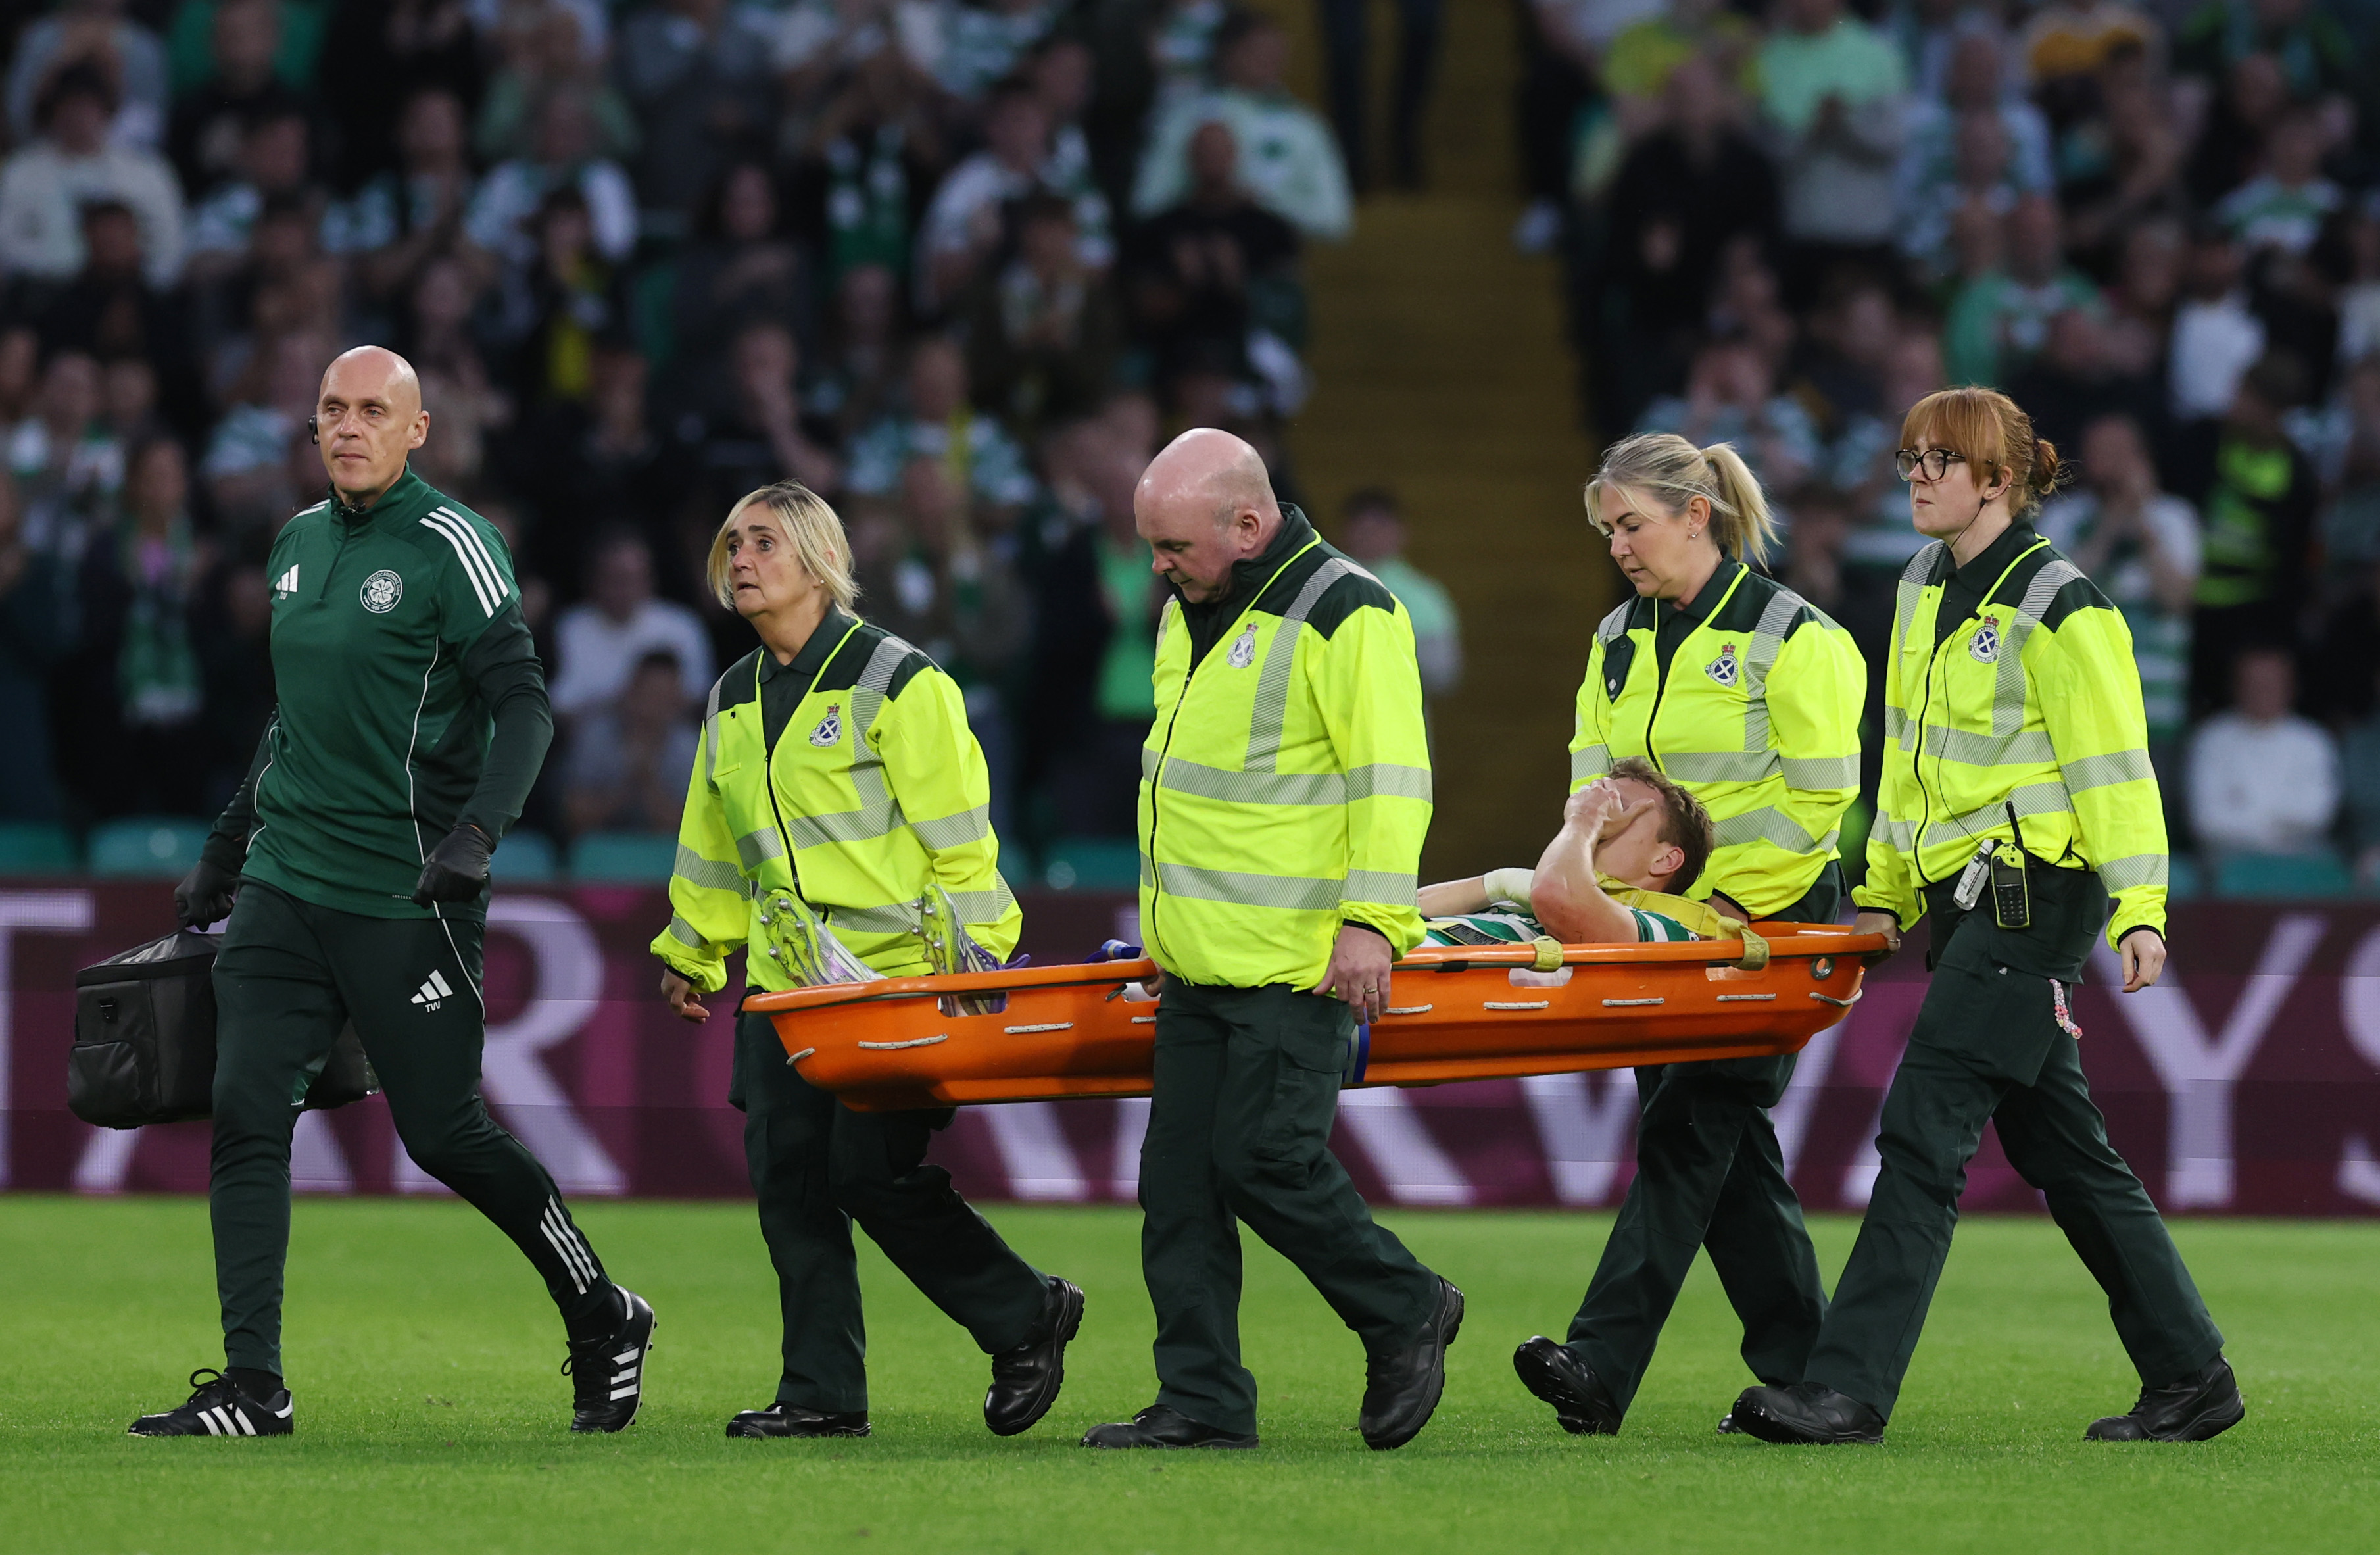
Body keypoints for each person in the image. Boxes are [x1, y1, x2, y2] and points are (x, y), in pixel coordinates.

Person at [132, 346, 654, 1440]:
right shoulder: (295, 543)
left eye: (374, 411)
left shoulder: (450, 543)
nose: (349, 427)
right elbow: (293, 724)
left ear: (418, 430)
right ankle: (252, 1384)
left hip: (404, 887)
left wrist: (477, 833)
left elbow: (524, 707)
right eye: (331, 409)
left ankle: (602, 1310)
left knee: (444, 1132)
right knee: (244, 1108)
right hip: (285, 880)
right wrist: (227, 846)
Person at [1732, 386, 2240, 1446]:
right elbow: (1907, 765)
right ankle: (2190, 1374)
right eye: (1910, 456)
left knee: (1920, 1133)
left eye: (1939, 461)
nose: (1915, 475)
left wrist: (2138, 907)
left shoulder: (2064, 606)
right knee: (2065, 1153)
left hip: (2030, 902)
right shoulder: (1923, 581)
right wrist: (1884, 891)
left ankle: (1846, 1388)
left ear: (1996, 482)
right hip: (1965, 909)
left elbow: (2116, 774)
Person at [650, 481, 1082, 1441]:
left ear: (816, 559)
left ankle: (1024, 1315)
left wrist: (974, 968)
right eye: (731, 543)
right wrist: (694, 947)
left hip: (902, 984)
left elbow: (962, 840)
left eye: (763, 541)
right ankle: (821, 1394)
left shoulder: (898, 681)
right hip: (787, 988)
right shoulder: (730, 698)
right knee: (792, 1185)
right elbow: (715, 846)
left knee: (867, 1172)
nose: (741, 558)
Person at [1081, 428, 1455, 1452]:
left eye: (1169, 546)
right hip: (1197, 963)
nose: (1155, 567)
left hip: (1299, 961)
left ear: (1246, 525)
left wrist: (1372, 922)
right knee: (1177, 1191)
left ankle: (1403, 1306)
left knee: (1265, 1161)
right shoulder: (1187, 612)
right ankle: (1201, 1400)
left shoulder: (1348, 611)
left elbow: (1391, 777)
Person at [1507, 430, 1862, 1439]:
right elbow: (1590, 790)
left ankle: (1600, 1364)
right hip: (1658, 933)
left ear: (1693, 516)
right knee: (1724, 1148)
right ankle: (1808, 1369)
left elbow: (1815, 809)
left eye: (1631, 523)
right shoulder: (1615, 641)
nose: (1616, 545)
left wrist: (1711, 911)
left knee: (1687, 1128)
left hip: (1764, 931)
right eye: (1605, 529)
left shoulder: (1797, 638)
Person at [1417, 758, 1717, 948]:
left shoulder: (1665, 931)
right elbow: (1399, 912)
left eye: (1618, 804)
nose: (1600, 809)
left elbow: (1557, 898)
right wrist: (1499, 881)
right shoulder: (1527, 895)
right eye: (1598, 799)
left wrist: (1585, 819)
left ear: (1665, 860)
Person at [2187, 646, 2338, 857]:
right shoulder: (2211, 739)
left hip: (2301, 858)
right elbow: (2207, 821)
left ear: (2291, 687)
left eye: (2272, 684)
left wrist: (2246, 812)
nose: (2263, 692)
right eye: (2254, 684)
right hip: (2228, 860)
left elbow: (2318, 813)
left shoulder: (2313, 741)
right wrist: (2277, 826)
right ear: (2236, 686)